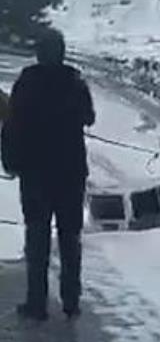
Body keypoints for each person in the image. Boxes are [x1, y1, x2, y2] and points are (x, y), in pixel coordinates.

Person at [0, 30, 95, 321]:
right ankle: (71, 300)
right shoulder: (75, 83)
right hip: (71, 174)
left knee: (37, 238)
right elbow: (89, 117)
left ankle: (37, 303)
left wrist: (10, 162)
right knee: (70, 238)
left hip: (36, 175)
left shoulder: (27, 83)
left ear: (39, 53)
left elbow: (12, 126)